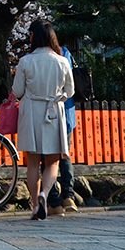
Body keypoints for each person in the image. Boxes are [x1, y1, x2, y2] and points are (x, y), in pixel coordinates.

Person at [11, 20, 75, 222]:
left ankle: (35, 205)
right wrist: (59, 99)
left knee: (32, 161)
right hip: (54, 111)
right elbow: (70, 91)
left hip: (31, 112)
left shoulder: (26, 61)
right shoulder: (62, 61)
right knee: (53, 161)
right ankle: (45, 194)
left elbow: (17, 91)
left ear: (34, 38)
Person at [45, 42, 79, 215]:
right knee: (64, 155)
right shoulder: (65, 53)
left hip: (49, 112)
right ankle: (69, 196)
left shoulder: (44, 56)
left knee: (49, 157)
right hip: (67, 111)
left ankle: (54, 201)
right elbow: (70, 87)